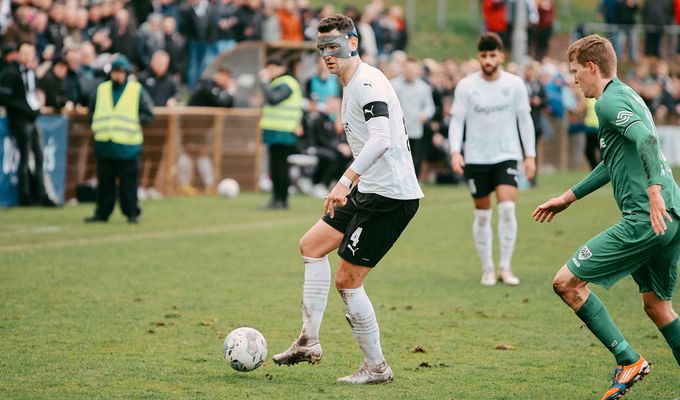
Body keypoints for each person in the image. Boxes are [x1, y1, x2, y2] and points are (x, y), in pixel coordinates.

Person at [272, 14, 422, 384]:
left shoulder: (367, 82)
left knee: (348, 282)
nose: (327, 54)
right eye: (321, 48)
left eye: (335, 46)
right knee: (311, 246)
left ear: (353, 43)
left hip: (390, 196)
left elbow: (381, 138)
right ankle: (309, 340)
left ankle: (377, 368)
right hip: (369, 189)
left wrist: (345, 181)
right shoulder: (348, 82)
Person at [532, 35, 680, 400]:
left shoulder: (610, 103)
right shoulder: (627, 95)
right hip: (671, 218)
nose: (573, 79)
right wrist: (568, 197)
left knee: (566, 283)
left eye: (575, 71)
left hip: (647, 217)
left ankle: (628, 359)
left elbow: (646, 138)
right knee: (657, 307)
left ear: (592, 67)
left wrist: (653, 189)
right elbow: (612, 162)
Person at [449, 32, 536, 286]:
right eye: (484, 55)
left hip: (507, 156)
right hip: (476, 159)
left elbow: (525, 120)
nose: (488, 60)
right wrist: (455, 151)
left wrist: (529, 155)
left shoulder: (515, 84)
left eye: (492, 55)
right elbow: (457, 120)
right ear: (479, 57)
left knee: (508, 209)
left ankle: (505, 267)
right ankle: (487, 267)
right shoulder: (466, 86)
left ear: (501, 56)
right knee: (483, 216)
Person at [85, 55, 154, 224]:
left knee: (128, 184)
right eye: (115, 71)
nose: (118, 75)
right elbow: (92, 111)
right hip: (105, 144)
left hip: (128, 146)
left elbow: (148, 113)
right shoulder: (101, 89)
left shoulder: (136, 90)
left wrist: (135, 121)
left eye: (121, 72)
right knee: (105, 183)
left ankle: (131, 212)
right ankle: (102, 212)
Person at [0, 41, 57, 207]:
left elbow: (33, 92)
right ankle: (24, 196)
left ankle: (40, 194)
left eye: (30, 53)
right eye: (25, 53)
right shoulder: (10, 73)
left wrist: (37, 106)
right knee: (24, 157)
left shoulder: (30, 72)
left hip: (32, 118)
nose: (28, 56)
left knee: (39, 157)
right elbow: (4, 97)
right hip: (19, 119)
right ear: (18, 54)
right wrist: (26, 108)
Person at [258, 58, 303, 210]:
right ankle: (278, 199)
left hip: (283, 132)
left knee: (280, 168)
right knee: (277, 167)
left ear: (281, 68)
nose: (269, 72)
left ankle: (280, 199)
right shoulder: (279, 83)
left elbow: (273, 99)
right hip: (276, 131)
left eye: (272, 68)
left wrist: (264, 82)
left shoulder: (287, 82)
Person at [391, 57, 435, 179]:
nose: (410, 72)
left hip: (415, 129)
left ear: (417, 70)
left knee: (415, 159)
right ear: (403, 69)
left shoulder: (424, 87)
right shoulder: (393, 84)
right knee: (398, 159)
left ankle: (413, 183)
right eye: (408, 69)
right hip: (397, 130)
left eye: (412, 69)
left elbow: (430, 107)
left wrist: (424, 114)